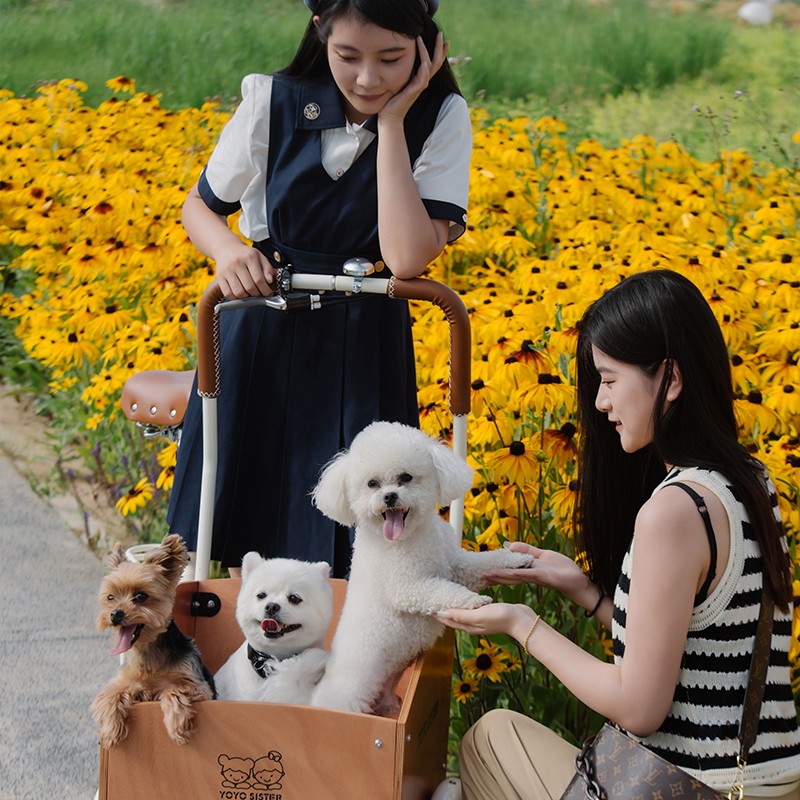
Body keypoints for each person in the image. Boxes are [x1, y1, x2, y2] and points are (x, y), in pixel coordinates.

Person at [438, 270, 800, 800]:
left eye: (609, 380)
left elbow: (640, 708)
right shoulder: (748, 480)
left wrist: (522, 624)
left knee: (490, 737)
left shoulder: (674, 511)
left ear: (670, 378)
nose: (602, 403)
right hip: (773, 779)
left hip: (701, 787)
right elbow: (697, 643)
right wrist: (584, 591)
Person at [166, 0, 471, 577]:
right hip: (261, 327)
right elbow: (200, 209)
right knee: (236, 526)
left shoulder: (441, 116)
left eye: (392, 59)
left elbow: (405, 256)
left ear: (428, 48)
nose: (367, 78)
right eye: (347, 55)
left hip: (365, 341)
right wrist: (231, 252)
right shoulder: (272, 99)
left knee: (358, 537)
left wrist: (393, 123)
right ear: (319, 32)